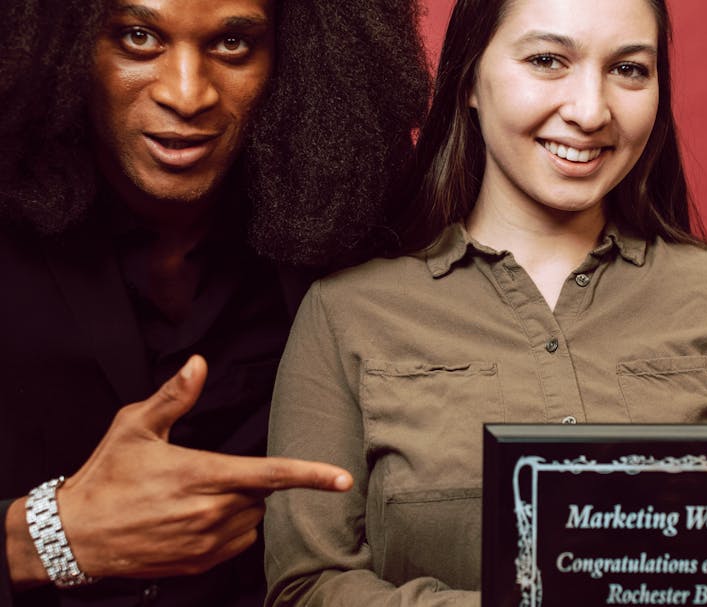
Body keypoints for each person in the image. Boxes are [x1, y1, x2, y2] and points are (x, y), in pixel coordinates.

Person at [262, 0, 707, 603]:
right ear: (468, 80)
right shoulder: (346, 313)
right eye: (548, 60)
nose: (591, 111)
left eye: (629, 70)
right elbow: (305, 588)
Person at [0, 1, 429, 605]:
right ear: (62, 44)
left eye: (232, 45)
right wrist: (40, 538)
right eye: (139, 38)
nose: (186, 93)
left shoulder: (359, 227)